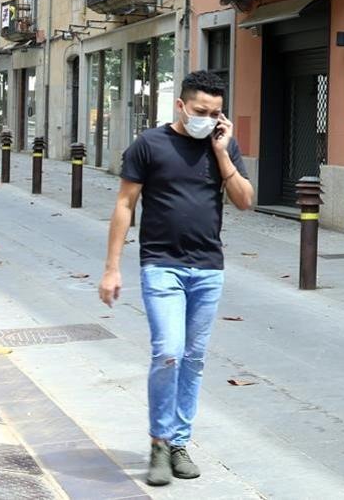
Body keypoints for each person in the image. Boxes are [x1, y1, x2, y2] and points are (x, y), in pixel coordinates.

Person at [99, 70, 253, 486]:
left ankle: (180, 443)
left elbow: (245, 201)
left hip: (208, 268)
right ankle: (159, 444)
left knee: (195, 359)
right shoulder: (150, 145)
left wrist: (222, 153)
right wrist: (112, 268)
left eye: (216, 112)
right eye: (201, 111)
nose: (208, 118)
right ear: (181, 106)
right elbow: (124, 206)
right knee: (168, 351)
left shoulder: (222, 145)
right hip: (161, 264)